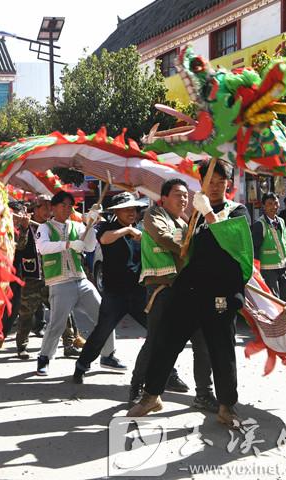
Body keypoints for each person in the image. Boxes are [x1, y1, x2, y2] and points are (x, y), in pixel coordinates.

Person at [129, 160, 252, 428]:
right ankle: (151, 395)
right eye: (212, 182)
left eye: (222, 182)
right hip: (191, 289)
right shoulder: (194, 214)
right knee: (166, 339)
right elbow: (187, 250)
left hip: (222, 291)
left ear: (228, 184)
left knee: (221, 350)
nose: (217, 187)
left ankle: (226, 406)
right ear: (203, 183)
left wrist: (208, 211)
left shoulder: (237, 210)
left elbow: (232, 243)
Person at [128, 179, 217, 411]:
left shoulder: (187, 221)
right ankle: (137, 389)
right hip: (162, 288)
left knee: (201, 341)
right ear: (164, 198)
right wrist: (188, 246)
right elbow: (162, 237)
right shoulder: (153, 214)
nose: (183, 199)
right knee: (156, 341)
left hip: (188, 289)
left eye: (186, 195)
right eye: (178, 194)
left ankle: (204, 393)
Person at [34, 191, 112, 376]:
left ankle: (108, 355)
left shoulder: (77, 226)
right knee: (57, 324)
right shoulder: (44, 228)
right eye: (63, 205)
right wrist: (68, 244)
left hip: (81, 279)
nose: (67, 209)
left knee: (105, 315)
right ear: (53, 207)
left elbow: (90, 246)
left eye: (70, 206)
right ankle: (44, 357)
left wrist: (91, 225)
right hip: (59, 282)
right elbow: (43, 248)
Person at [72, 192, 148, 383]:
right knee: (102, 332)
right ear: (117, 211)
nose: (132, 212)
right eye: (127, 209)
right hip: (115, 294)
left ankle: (168, 373)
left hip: (138, 292)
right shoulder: (108, 227)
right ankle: (81, 366)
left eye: (134, 209)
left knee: (157, 330)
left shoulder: (141, 229)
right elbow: (104, 239)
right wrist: (128, 231)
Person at [0, 195, 81, 358]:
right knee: (26, 314)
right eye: (43, 207)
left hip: (55, 276)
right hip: (32, 277)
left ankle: (69, 344)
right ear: (34, 209)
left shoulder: (54, 226)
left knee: (63, 311)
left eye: (50, 206)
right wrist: (23, 228)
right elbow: (20, 247)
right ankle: (22, 347)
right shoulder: (26, 226)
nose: (48, 210)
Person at [252, 192, 286, 301]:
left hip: (283, 267)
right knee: (274, 300)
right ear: (263, 206)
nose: (274, 207)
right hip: (268, 269)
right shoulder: (259, 225)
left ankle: (285, 319)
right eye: (270, 204)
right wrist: (256, 272)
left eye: (276, 203)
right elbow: (254, 248)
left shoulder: (281, 221)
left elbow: (285, 244)